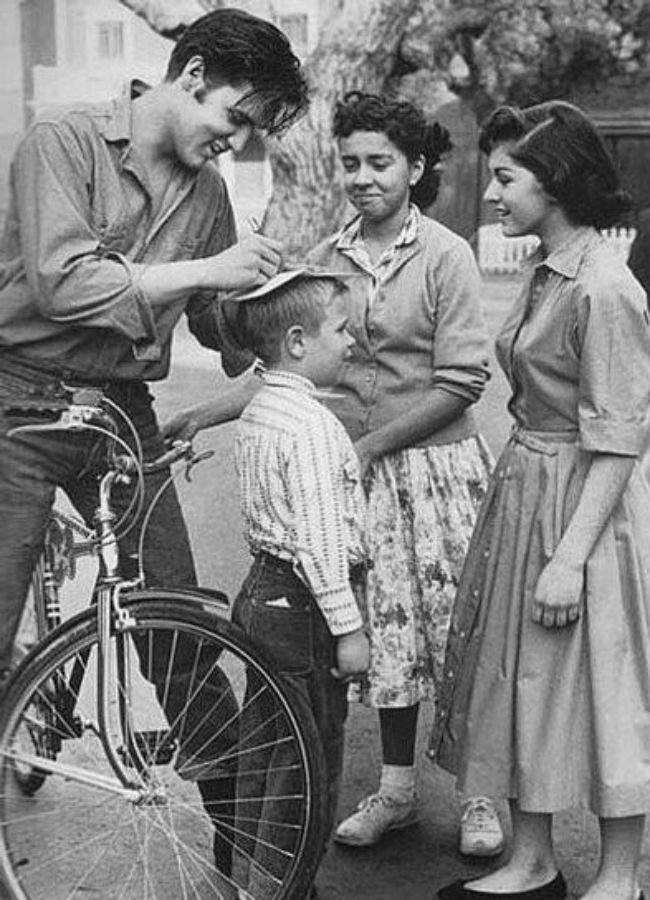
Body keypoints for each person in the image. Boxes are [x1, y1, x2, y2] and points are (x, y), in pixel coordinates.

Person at [0, 6, 308, 680]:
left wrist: (269, 300)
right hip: (18, 405)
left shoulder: (209, 193)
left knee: (179, 628)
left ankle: (219, 757)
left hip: (123, 412)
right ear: (193, 74)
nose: (238, 141)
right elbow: (62, 284)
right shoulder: (62, 141)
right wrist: (208, 270)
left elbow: (213, 323)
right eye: (236, 117)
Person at [430, 101, 650, 900]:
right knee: (522, 675)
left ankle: (620, 876)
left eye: (505, 178)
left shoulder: (606, 286)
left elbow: (619, 436)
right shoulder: (546, 267)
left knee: (606, 685)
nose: (491, 193)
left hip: (587, 505)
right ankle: (533, 861)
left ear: (552, 182)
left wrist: (569, 558)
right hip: (528, 488)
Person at [301, 91, 502, 858]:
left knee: (458, 635)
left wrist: (372, 445)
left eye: (379, 162)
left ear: (414, 168)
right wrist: (201, 414)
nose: (362, 177)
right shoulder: (328, 257)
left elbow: (462, 381)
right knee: (388, 638)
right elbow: (296, 365)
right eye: (350, 162)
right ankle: (397, 791)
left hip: (439, 473)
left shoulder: (447, 254)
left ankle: (479, 793)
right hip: (364, 479)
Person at [228, 270, 370, 900]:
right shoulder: (311, 425)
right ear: (296, 342)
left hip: (263, 592)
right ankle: (287, 885)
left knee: (263, 745)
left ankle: (249, 876)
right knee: (309, 755)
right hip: (305, 605)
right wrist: (349, 629)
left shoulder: (261, 409)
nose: (352, 342)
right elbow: (319, 541)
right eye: (340, 330)